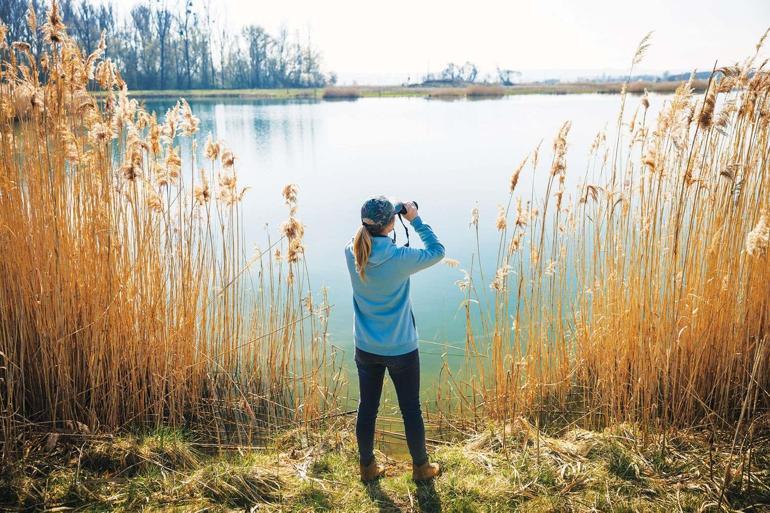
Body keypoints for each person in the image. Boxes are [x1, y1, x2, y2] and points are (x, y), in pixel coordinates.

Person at [344, 196, 445, 482]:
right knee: (410, 409)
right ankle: (422, 468)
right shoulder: (401, 258)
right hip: (401, 349)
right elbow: (437, 251)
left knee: (367, 407)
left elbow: (361, 237)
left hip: (366, 347)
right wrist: (415, 220)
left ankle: (367, 467)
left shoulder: (352, 254)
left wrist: (379, 223)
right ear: (391, 224)